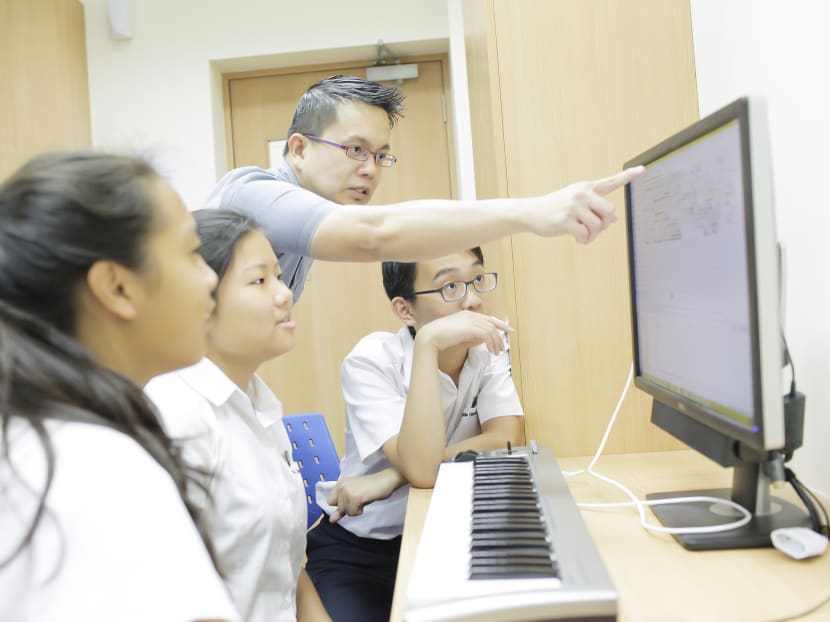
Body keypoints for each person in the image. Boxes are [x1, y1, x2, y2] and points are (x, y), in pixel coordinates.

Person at [0, 151, 238, 621]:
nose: (210, 278)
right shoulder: (100, 469)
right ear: (117, 288)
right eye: (192, 254)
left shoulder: (38, 438)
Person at [206, 74, 644, 300]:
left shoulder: (302, 221)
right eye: (356, 149)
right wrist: (531, 212)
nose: (370, 170)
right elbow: (374, 234)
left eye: (380, 155)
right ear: (298, 149)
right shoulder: (249, 195)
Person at [305, 247, 525, 622]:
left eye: (476, 280)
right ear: (405, 310)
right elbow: (423, 470)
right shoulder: (371, 361)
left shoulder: (487, 352)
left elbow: (506, 437)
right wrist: (428, 344)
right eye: (450, 287)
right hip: (361, 554)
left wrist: (392, 476)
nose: (473, 300)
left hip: (444, 544)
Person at [145, 209, 330, 622]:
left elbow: (288, 567)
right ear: (197, 303)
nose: (284, 294)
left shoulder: (259, 403)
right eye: (259, 280)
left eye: (280, 277)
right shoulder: (176, 415)